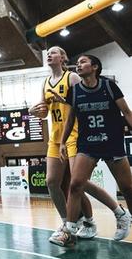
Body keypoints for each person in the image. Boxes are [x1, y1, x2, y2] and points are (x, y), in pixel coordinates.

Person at [29, 46, 124, 245]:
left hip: (75, 134)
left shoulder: (71, 77)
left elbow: (81, 100)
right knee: (52, 182)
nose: (49, 54)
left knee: (79, 182)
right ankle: (67, 223)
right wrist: (35, 110)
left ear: (63, 58)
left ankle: (115, 211)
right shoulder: (45, 82)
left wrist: (61, 99)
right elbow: (44, 110)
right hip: (56, 136)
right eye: (48, 53)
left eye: (53, 52)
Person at [54, 54, 132, 247]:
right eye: (78, 63)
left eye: (82, 62)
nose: (78, 65)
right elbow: (70, 119)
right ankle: (69, 231)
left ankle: (124, 218)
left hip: (112, 142)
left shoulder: (108, 86)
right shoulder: (75, 91)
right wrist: (63, 142)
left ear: (95, 67)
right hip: (87, 144)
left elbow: (127, 112)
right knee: (76, 184)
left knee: (128, 188)